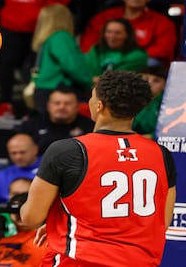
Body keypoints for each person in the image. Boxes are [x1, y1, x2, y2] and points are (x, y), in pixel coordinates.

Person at [20, 70, 177, 266]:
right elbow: (162, 222)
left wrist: (52, 219)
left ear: (99, 105)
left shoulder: (67, 151)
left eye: (92, 96)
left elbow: (31, 218)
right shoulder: (161, 154)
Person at [16, 87, 95, 154]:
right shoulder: (30, 126)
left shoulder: (90, 127)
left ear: (77, 107)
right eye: (57, 103)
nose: (61, 107)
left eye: (67, 103)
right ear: (48, 106)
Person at [0, 134, 39, 205]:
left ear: (35, 149)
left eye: (22, 152)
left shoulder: (46, 171)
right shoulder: (2, 175)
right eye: (13, 153)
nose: (18, 157)